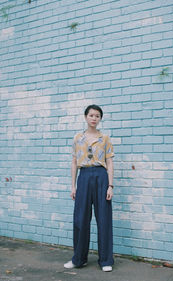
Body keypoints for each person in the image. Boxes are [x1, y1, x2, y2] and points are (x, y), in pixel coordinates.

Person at [64, 104, 115, 272]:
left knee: (104, 219)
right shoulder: (77, 138)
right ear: (86, 117)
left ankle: (106, 260)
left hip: (101, 176)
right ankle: (79, 259)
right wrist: (73, 186)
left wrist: (110, 185)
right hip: (84, 177)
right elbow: (73, 162)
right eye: (91, 115)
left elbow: (109, 162)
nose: (94, 118)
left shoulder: (105, 138)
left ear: (100, 119)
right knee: (80, 219)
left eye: (97, 116)